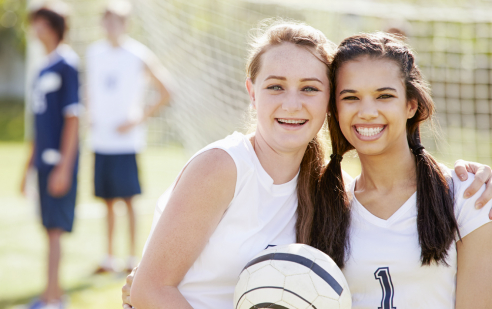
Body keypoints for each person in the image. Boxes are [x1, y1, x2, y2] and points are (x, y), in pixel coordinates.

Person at [121, 23, 492, 309]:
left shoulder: (329, 192)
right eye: (276, 87)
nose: (293, 103)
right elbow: (151, 287)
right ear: (252, 92)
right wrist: (140, 288)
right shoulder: (231, 168)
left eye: (310, 88)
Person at [311, 32, 492, 308]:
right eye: (351, 98)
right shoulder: (326, 203)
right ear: (334, 108)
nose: (367, 111)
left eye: (384, 96)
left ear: (411, 105)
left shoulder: (467, 194)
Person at [85, 0, 172, 273]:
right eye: (108, 20)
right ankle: (109, 258)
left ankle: (132, 259)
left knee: (128, 199)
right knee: (107, 201)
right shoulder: (93, 53)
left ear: (126, 24)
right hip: (101, 140)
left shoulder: (138, 54)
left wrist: (138, 118)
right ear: (102, 23)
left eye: (118, 21)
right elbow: (91, 90)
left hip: (126, 142)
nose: (112, 26)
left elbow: (166, 90)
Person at [20, 3, 81, 309]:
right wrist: (26, 169)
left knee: (55, 230)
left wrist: (65, 168)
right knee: (48, 229)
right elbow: (39, 124)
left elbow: (73, 119)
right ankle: (51, 293)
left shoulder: (68, 65)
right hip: (43, 164)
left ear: (52, 26)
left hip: (59, 164)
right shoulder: (43, 66)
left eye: (39, 23)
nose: (34, 29)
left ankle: (53, 299)